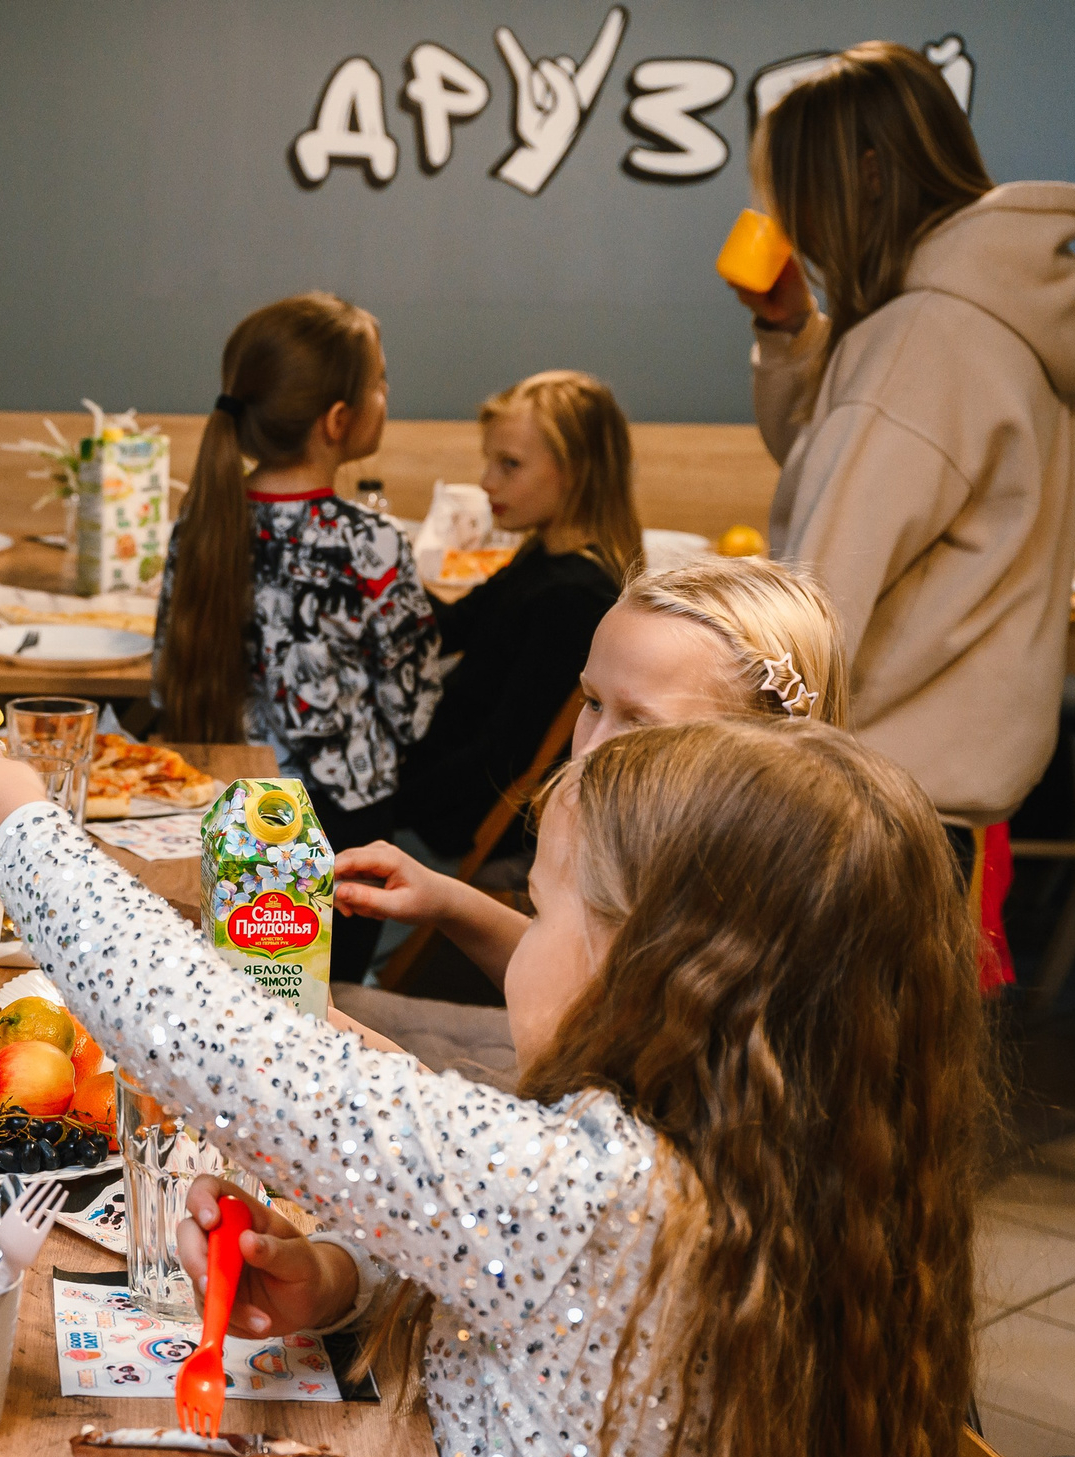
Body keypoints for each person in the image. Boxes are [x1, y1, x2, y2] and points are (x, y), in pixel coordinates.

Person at [0, 716, 982, 1457]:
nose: (522, 934)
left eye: (546, 903)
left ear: (648, 969)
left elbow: (226, 1053)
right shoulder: (769, 1161)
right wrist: (348, 1277)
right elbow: (576, 1317)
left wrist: (24, 832)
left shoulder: (595, 1186)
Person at [737, 40, 1075, 943]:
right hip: (938, 799)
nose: (790, 222)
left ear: (866, 175)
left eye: (799, 191)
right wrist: (792, 334)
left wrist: (723, 743)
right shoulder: (984, 317)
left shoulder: (925, 339)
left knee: (829, 1081)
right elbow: (844, 467)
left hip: (871, 794)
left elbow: (819, 596)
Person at [336, 554, 847, 1021]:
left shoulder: (741, 923)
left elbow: (568, 1063)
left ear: (763, 753)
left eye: (640, 724)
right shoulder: (640, 847)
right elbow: (584, 988)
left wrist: (332, 1043)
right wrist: (448, 902)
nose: (590, 750)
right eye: (593, 702)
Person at [154, 292, 438, 920]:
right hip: (341, 832)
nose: (388, 394)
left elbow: (161, 676)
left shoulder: (198, 525)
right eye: (381, 381)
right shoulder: (372, 542)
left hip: (218, 809)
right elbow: (412, 709)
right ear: (337, 420)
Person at [371, 372, 636, 923]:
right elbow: (449, 626)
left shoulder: (574, 597)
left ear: (576, 473)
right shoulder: (541, 558)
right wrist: (379, 561)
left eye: (509, 465)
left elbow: (500, 757)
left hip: (453, 827)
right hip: (436, 789)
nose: (487, 482)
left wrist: (384, 805)